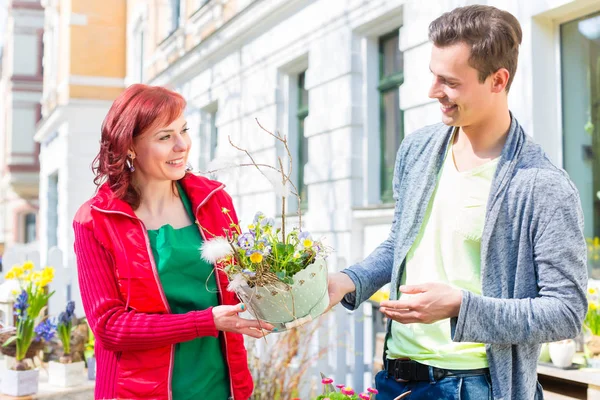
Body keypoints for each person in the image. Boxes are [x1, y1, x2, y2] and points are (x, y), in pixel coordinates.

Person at [327, 5, 588, 400]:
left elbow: (566, 311)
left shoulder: (542, 185)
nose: (434, 91)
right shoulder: (418, 149)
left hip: (474, 385)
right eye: (434, 75)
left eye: (449, 81)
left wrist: (460, 308)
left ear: (498, 80)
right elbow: (403, 242)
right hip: (394, 376)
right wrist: (348, 281)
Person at [73, 84, 272, 400]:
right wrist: (204, 322)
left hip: (220, 384)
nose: (182, 145)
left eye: (184, 131)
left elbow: (242, 279)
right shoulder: (96, 219)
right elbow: (109, 327)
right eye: (165, 137)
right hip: (135, 390)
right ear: (130, 147)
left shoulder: (213, 200)